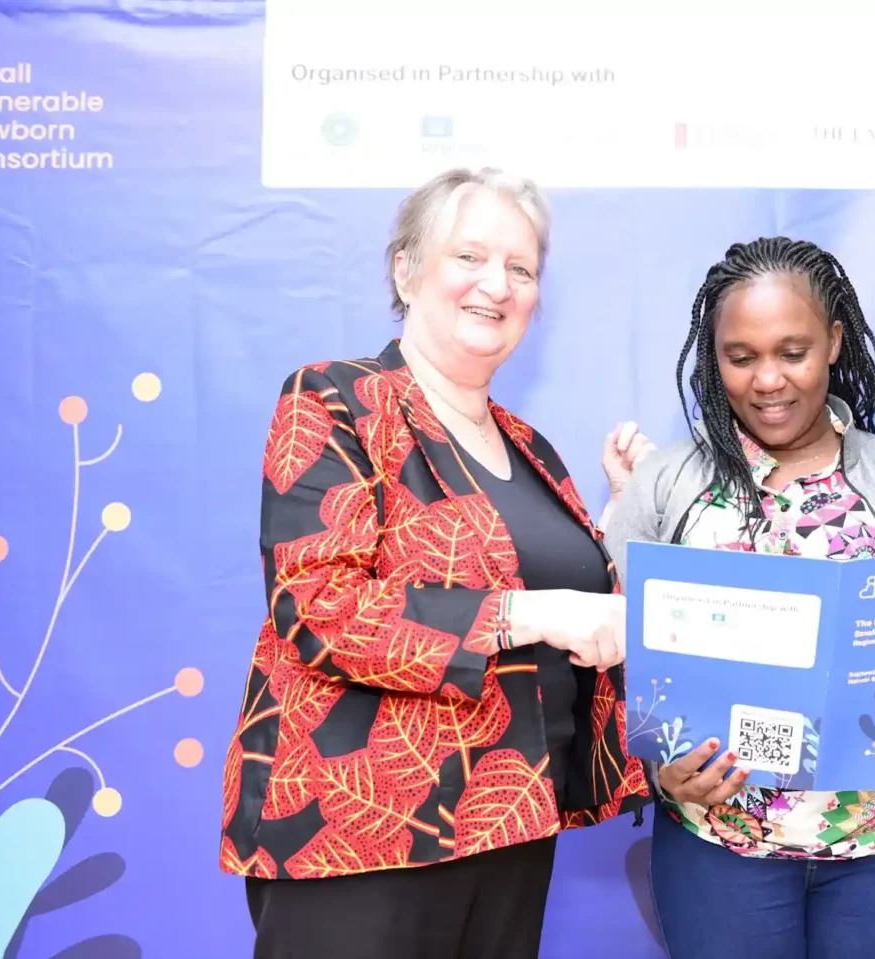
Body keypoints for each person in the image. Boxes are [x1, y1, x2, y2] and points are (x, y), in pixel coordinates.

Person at [217, 167, 651, 959]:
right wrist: (535, 613)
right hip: (363, 835)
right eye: (471, 257)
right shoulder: (335, 400)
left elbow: (577, 618)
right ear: (405, 269)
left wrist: (615, 526)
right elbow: (319, 607)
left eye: (521, 268)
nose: (498, 284)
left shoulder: (532, 448)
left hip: (512, 823)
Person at [601, 236, 875, 959]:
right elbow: (605, 655)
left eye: (793, 350)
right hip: (718, 854)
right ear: (712, 357)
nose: (768, 379)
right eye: (740, 356)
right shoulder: (667, 485)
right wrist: (656, 770)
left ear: (836, 341)